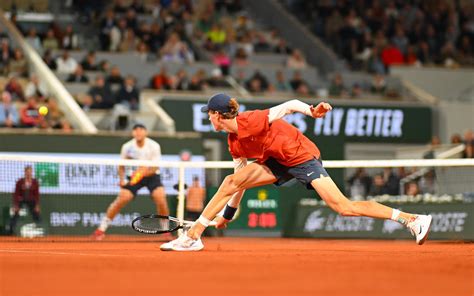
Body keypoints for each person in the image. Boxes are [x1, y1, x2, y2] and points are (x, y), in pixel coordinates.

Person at [161, 93, 433, 251]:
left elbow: (290, 105)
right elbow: (237, 184)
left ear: (219, 115)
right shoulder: (234, 142)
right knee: (230, 180)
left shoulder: (251, 120)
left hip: (302, 156)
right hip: (277, 160)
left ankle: (412, 219)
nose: (208, 118)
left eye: (209, 114)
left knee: (344, 207)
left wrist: (312, 112)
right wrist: (228, 215)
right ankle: (194, 235)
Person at [92, 124, 169, 240]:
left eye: (141, 130)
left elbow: (154, 167)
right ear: (133, 133)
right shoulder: (127, 147)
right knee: (122, 199)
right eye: (135, 130)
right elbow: (121, 166)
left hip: (151, 176)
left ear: (145, 132)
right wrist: (122, 180)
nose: (138, 132)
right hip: (132, 177)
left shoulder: (154, 146)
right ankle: (101, 229)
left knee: (160, 198)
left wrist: (141, 173)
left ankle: (165, 230)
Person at [7, 166, 40, 235]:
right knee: (16, 214)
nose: (29, 174)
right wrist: (16, 205)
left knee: (36, 214)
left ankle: (40, 229)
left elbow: (37, 194)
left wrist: (37, 205)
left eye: (30, 172)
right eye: (27, 172)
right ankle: (10, 231)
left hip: (31, 201)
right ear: (25, 172)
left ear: (32, 173)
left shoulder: (35, 182)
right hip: (21, 200)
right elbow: (16, 194)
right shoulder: (20, 182)